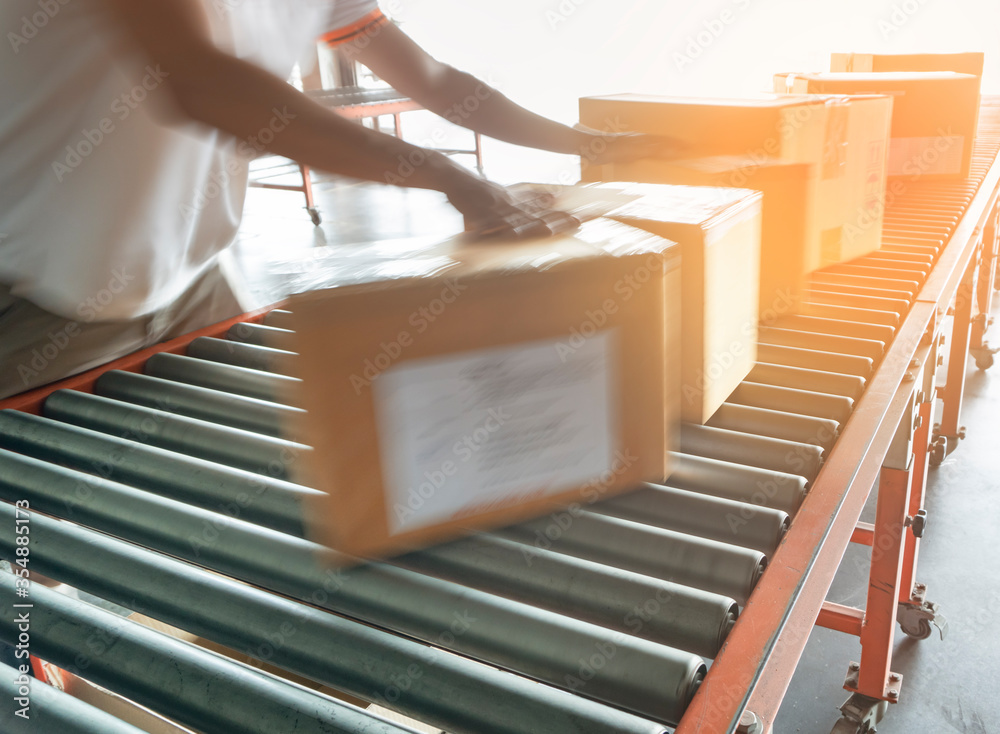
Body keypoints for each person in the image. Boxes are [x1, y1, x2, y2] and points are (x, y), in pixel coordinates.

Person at [0, 0, 675, 399]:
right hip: (36, 293)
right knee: (39, 555)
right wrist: (450, 176)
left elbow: (437, 81)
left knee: (246, 482)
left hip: (189, 275)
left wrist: (588, 142)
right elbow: (205, 84)